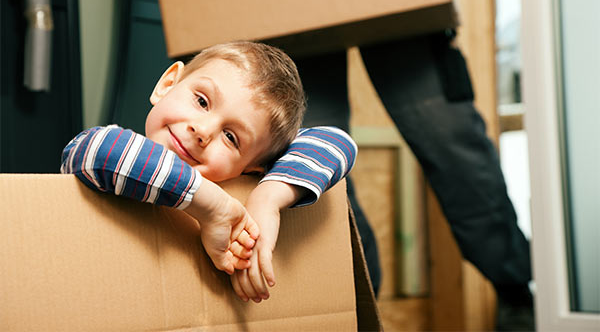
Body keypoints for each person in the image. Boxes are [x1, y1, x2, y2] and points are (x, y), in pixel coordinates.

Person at [61, 41, 357, 298]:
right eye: (201, 101)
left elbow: (338, 142)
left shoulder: (253, 183)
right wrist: (211, 206)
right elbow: (95, 149)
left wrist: (267, 200)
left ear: (254, 169)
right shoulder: (114, 151)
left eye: (231, 137)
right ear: (167, 85)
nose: (202, 130)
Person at [295, 30, 534, 331]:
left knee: (452, 146)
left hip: (396, 0)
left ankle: (514, 288)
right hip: (292, 18)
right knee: (312, 171)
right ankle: (358, 310)